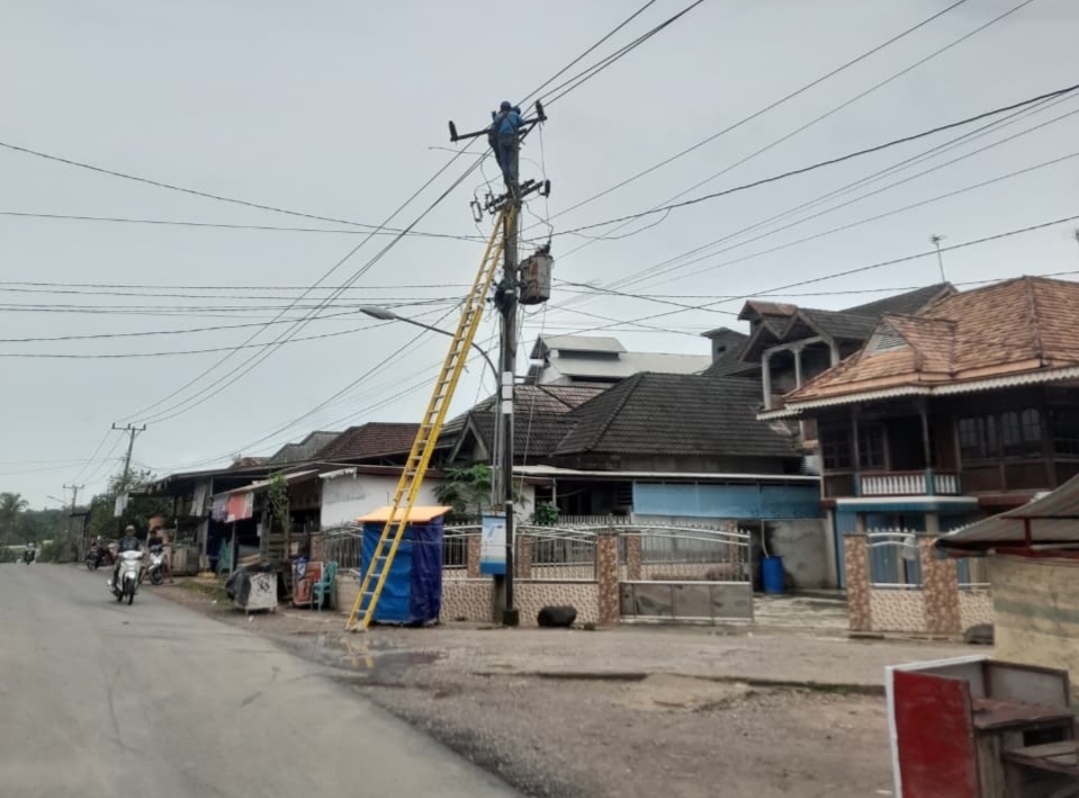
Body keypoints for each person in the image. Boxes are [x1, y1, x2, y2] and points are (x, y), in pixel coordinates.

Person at [488, 100, 522, 186]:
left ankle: (507, 179)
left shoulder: (498, 116)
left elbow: (495, 125)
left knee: (503, 161)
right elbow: (522, 122)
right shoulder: (514, 115)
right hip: (511, 139)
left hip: (500, 140)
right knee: (512, 161)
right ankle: (512, 180)